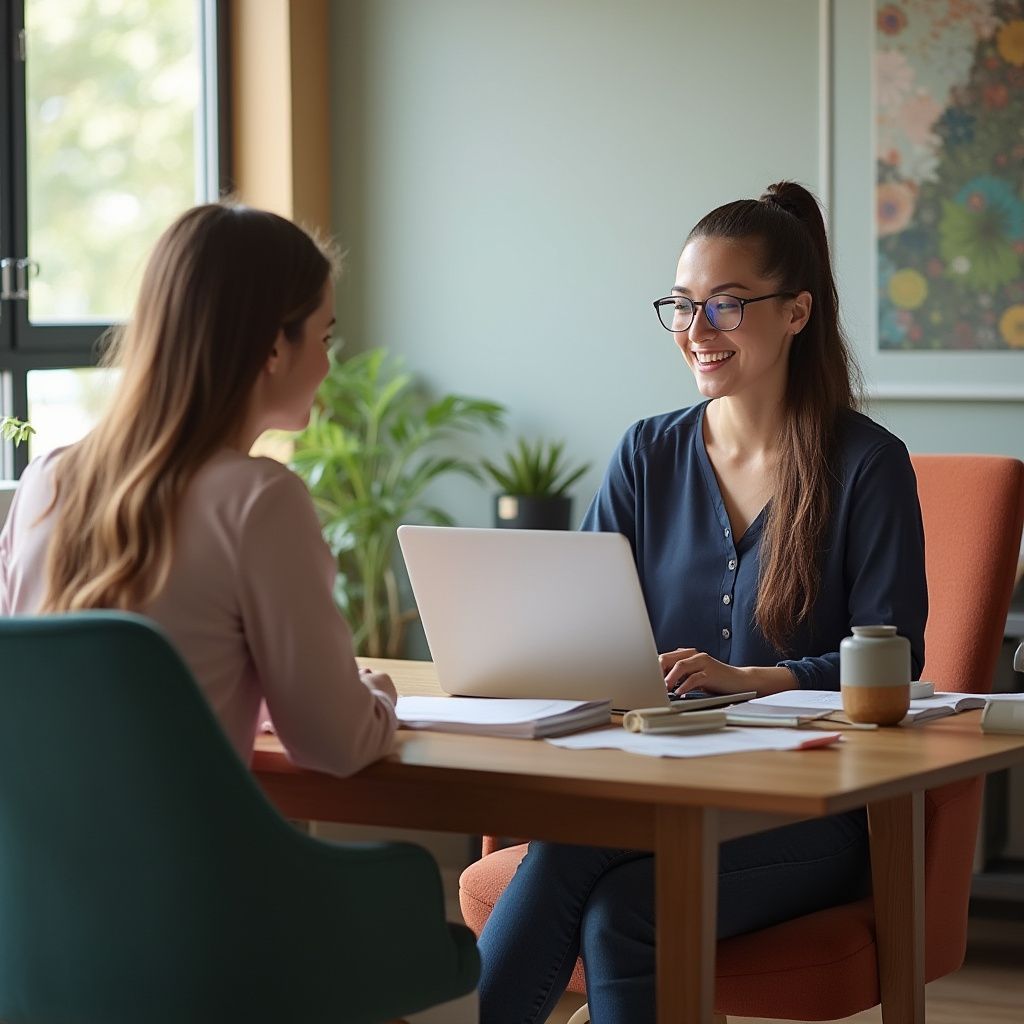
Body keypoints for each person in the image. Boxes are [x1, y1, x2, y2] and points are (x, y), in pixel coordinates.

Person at [476, 181, 928, 1024]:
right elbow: (576, 623)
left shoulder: (867, 465)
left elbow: (895, 657)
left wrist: (756, 678)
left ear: (796, 312)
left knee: (586, 866)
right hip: (659, 784)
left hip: (808, 811)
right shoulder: (647, 453)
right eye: (681, 307)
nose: (695, 333)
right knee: (621, 915)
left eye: (723, 307)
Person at [0, 202, 398, 778]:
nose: (327, 366)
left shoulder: (45, 480)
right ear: (272, 346)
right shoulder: (259, 501)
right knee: (403, 872)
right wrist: (379, 697)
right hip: (190, 870)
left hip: (32, 868)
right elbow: (334, 743)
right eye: (324, 338)